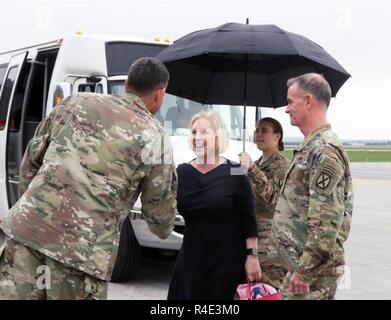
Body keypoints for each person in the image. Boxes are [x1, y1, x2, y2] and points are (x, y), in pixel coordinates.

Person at [0, 57, 177, 300]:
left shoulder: (75, 102)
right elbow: (158, 213)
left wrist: (33, 210)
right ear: (160, 94)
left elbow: (31, 160)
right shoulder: (156, 136)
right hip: (80, 253)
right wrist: (166, 229)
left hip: (25, 234)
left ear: (127, 84)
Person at [268, 73, 353, 300]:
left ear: (308, 101)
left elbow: (325, 220)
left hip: (310, 276)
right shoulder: (312, 146)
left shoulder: (324, 150)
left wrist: (305, 273)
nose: (286, 109)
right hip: (301, 269)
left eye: (290, 102)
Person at [167, 111, 261, 300]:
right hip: (191, 260)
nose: (198, 137)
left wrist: (253, 257)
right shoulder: (182, 172)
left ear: (217, 136)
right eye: (194, 132)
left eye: (204, 132)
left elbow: (249, 220)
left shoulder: (235, 171)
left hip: (227, 264)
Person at [239, 117, 289, 289]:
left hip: (270, 246)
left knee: (270, 290)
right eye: (257, 130)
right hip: (252, 241)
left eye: (264, 130)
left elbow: (271, 199)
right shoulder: (257, 164)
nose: (258, 134)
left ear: (277, 137)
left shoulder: (282, 166)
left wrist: (252, 169)